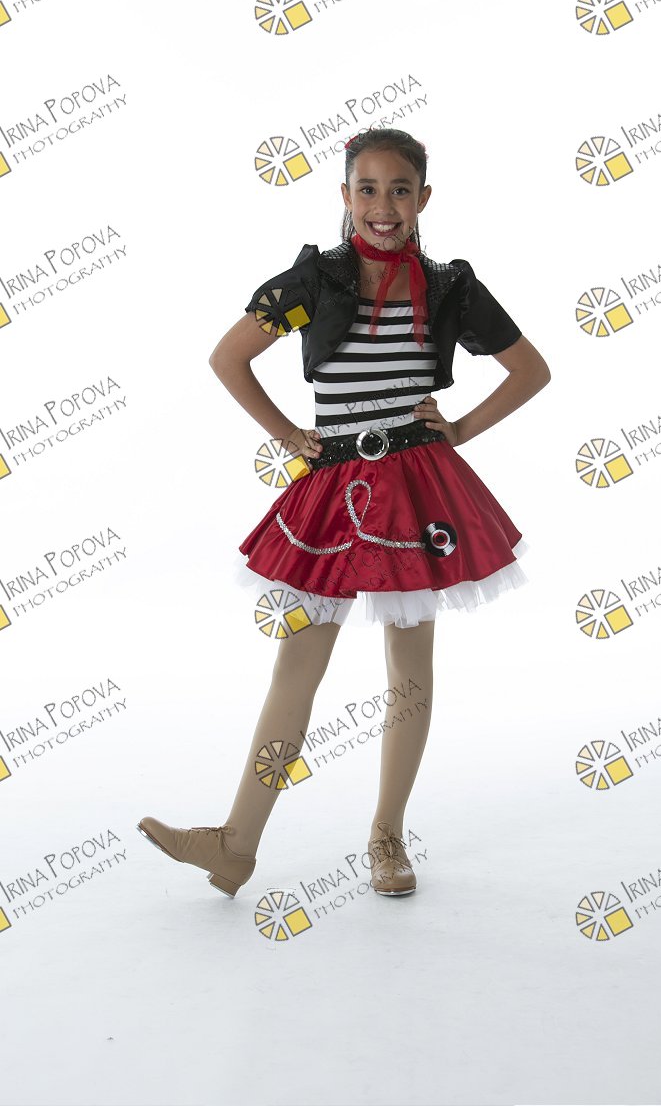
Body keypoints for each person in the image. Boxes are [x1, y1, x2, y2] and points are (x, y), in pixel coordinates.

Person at [138, 128, 551, 899]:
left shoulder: (450, 286)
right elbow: (229, 357)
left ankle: (387, 837)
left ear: (424, 198)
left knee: (409, 667)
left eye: (400, 189)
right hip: (334, 487)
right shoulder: (314, 280)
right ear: (345, 196)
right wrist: (290, 436)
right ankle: (235, 844)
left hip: (416, 486)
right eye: (367, 188)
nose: (383, 205)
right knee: (297, 663)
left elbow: (531, 370)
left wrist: (460, 430)